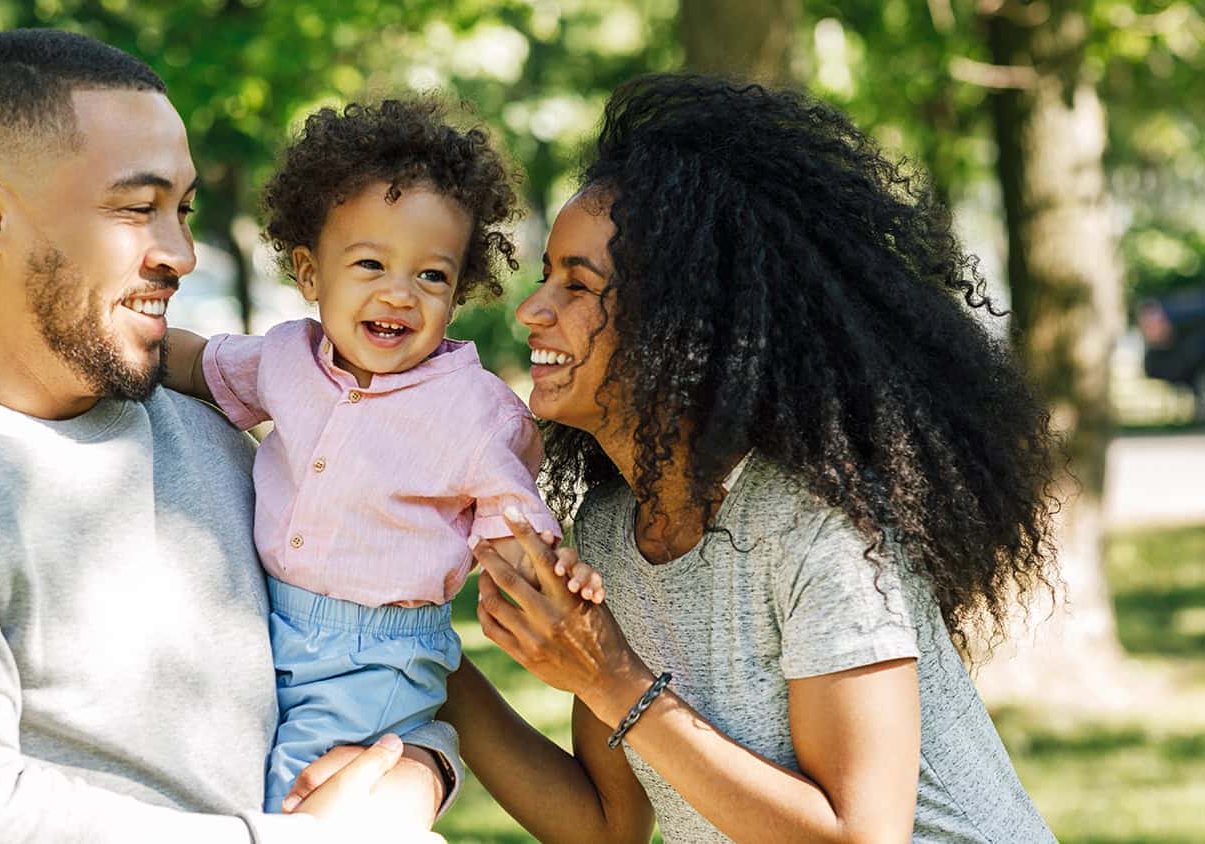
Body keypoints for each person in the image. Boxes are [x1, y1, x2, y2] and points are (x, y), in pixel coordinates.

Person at [0, 29, 457, 843]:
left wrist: (421, 770)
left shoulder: (210, 434)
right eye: (137, 208)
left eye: (182, 211)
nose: (180, 253)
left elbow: (358, 659)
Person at [379, 74, 1060, 842]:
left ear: (679, 321)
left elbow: (864, 835)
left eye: (578, 283)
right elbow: (607, 827)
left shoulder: (820, 528)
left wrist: (610, 679)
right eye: (546, 276)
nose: (533, 310)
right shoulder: (609, 532)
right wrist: (410, 638)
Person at [159, 99, 595, 816]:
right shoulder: (285, 360)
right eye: (370, 263)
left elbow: (512, 528)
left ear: (457, 294)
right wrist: (111, 346)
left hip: (375, 655)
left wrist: (553, 570)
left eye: (432, 276)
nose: (400, 292)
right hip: (272, 623)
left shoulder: (474, 411)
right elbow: (197, 363)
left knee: (296, 799)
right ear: (309, 272)